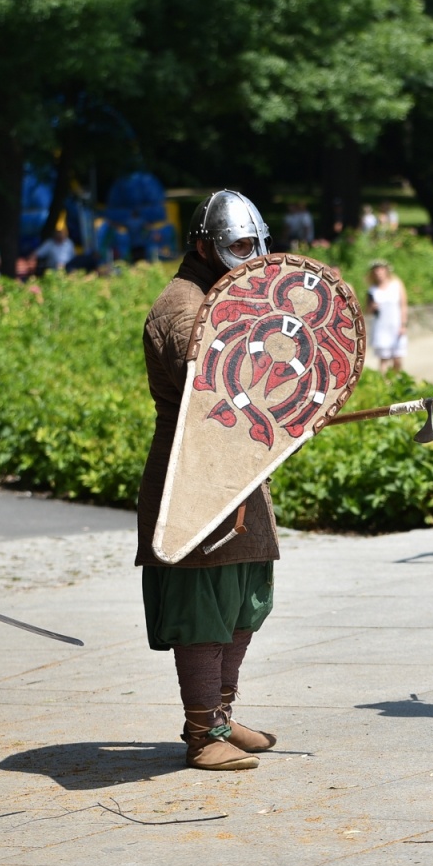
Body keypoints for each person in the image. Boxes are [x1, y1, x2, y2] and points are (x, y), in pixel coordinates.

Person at [137, 190, 281, 772]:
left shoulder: (228, 296)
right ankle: (202, 734)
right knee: (204, 603)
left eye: (256, 245)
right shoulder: (182, 304)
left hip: (240, 472)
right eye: (240, 245)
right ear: (205, 244)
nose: (251, 256)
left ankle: (221, 716)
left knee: (245, 598)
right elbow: (214, 380)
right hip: (192, 474)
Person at [366, 260, 408, 373]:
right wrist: (373, 307)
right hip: (381, 327)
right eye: (376, 271)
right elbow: (368, 310)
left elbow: (403, 305)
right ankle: (385, 383)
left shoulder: (396, 285)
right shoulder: (372, 290)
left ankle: (395, 378)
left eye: (381, 270)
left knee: (397, 358)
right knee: (383, 358)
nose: (379, 273)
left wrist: (403, 324)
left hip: (395, 325)